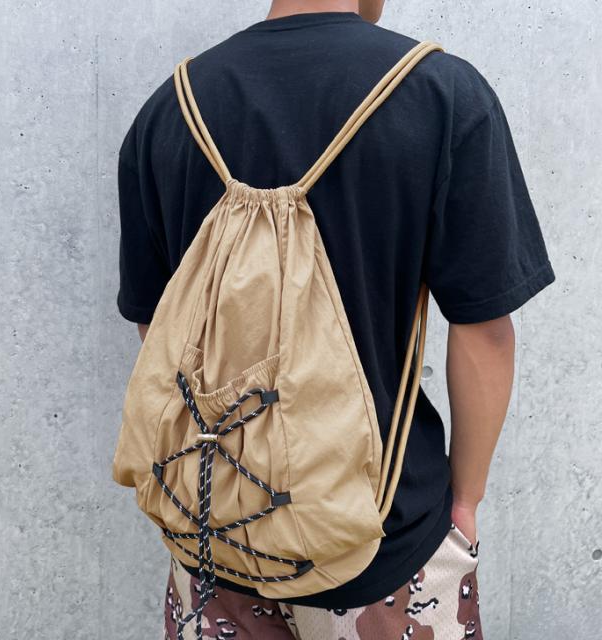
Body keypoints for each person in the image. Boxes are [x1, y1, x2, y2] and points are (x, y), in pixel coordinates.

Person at [116, 1, 555, 637]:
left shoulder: (170, 108)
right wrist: (465, 503)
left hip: (211, 538)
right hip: (386, 544)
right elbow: (484, 330)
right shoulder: (439, 94)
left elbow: (160, 332)